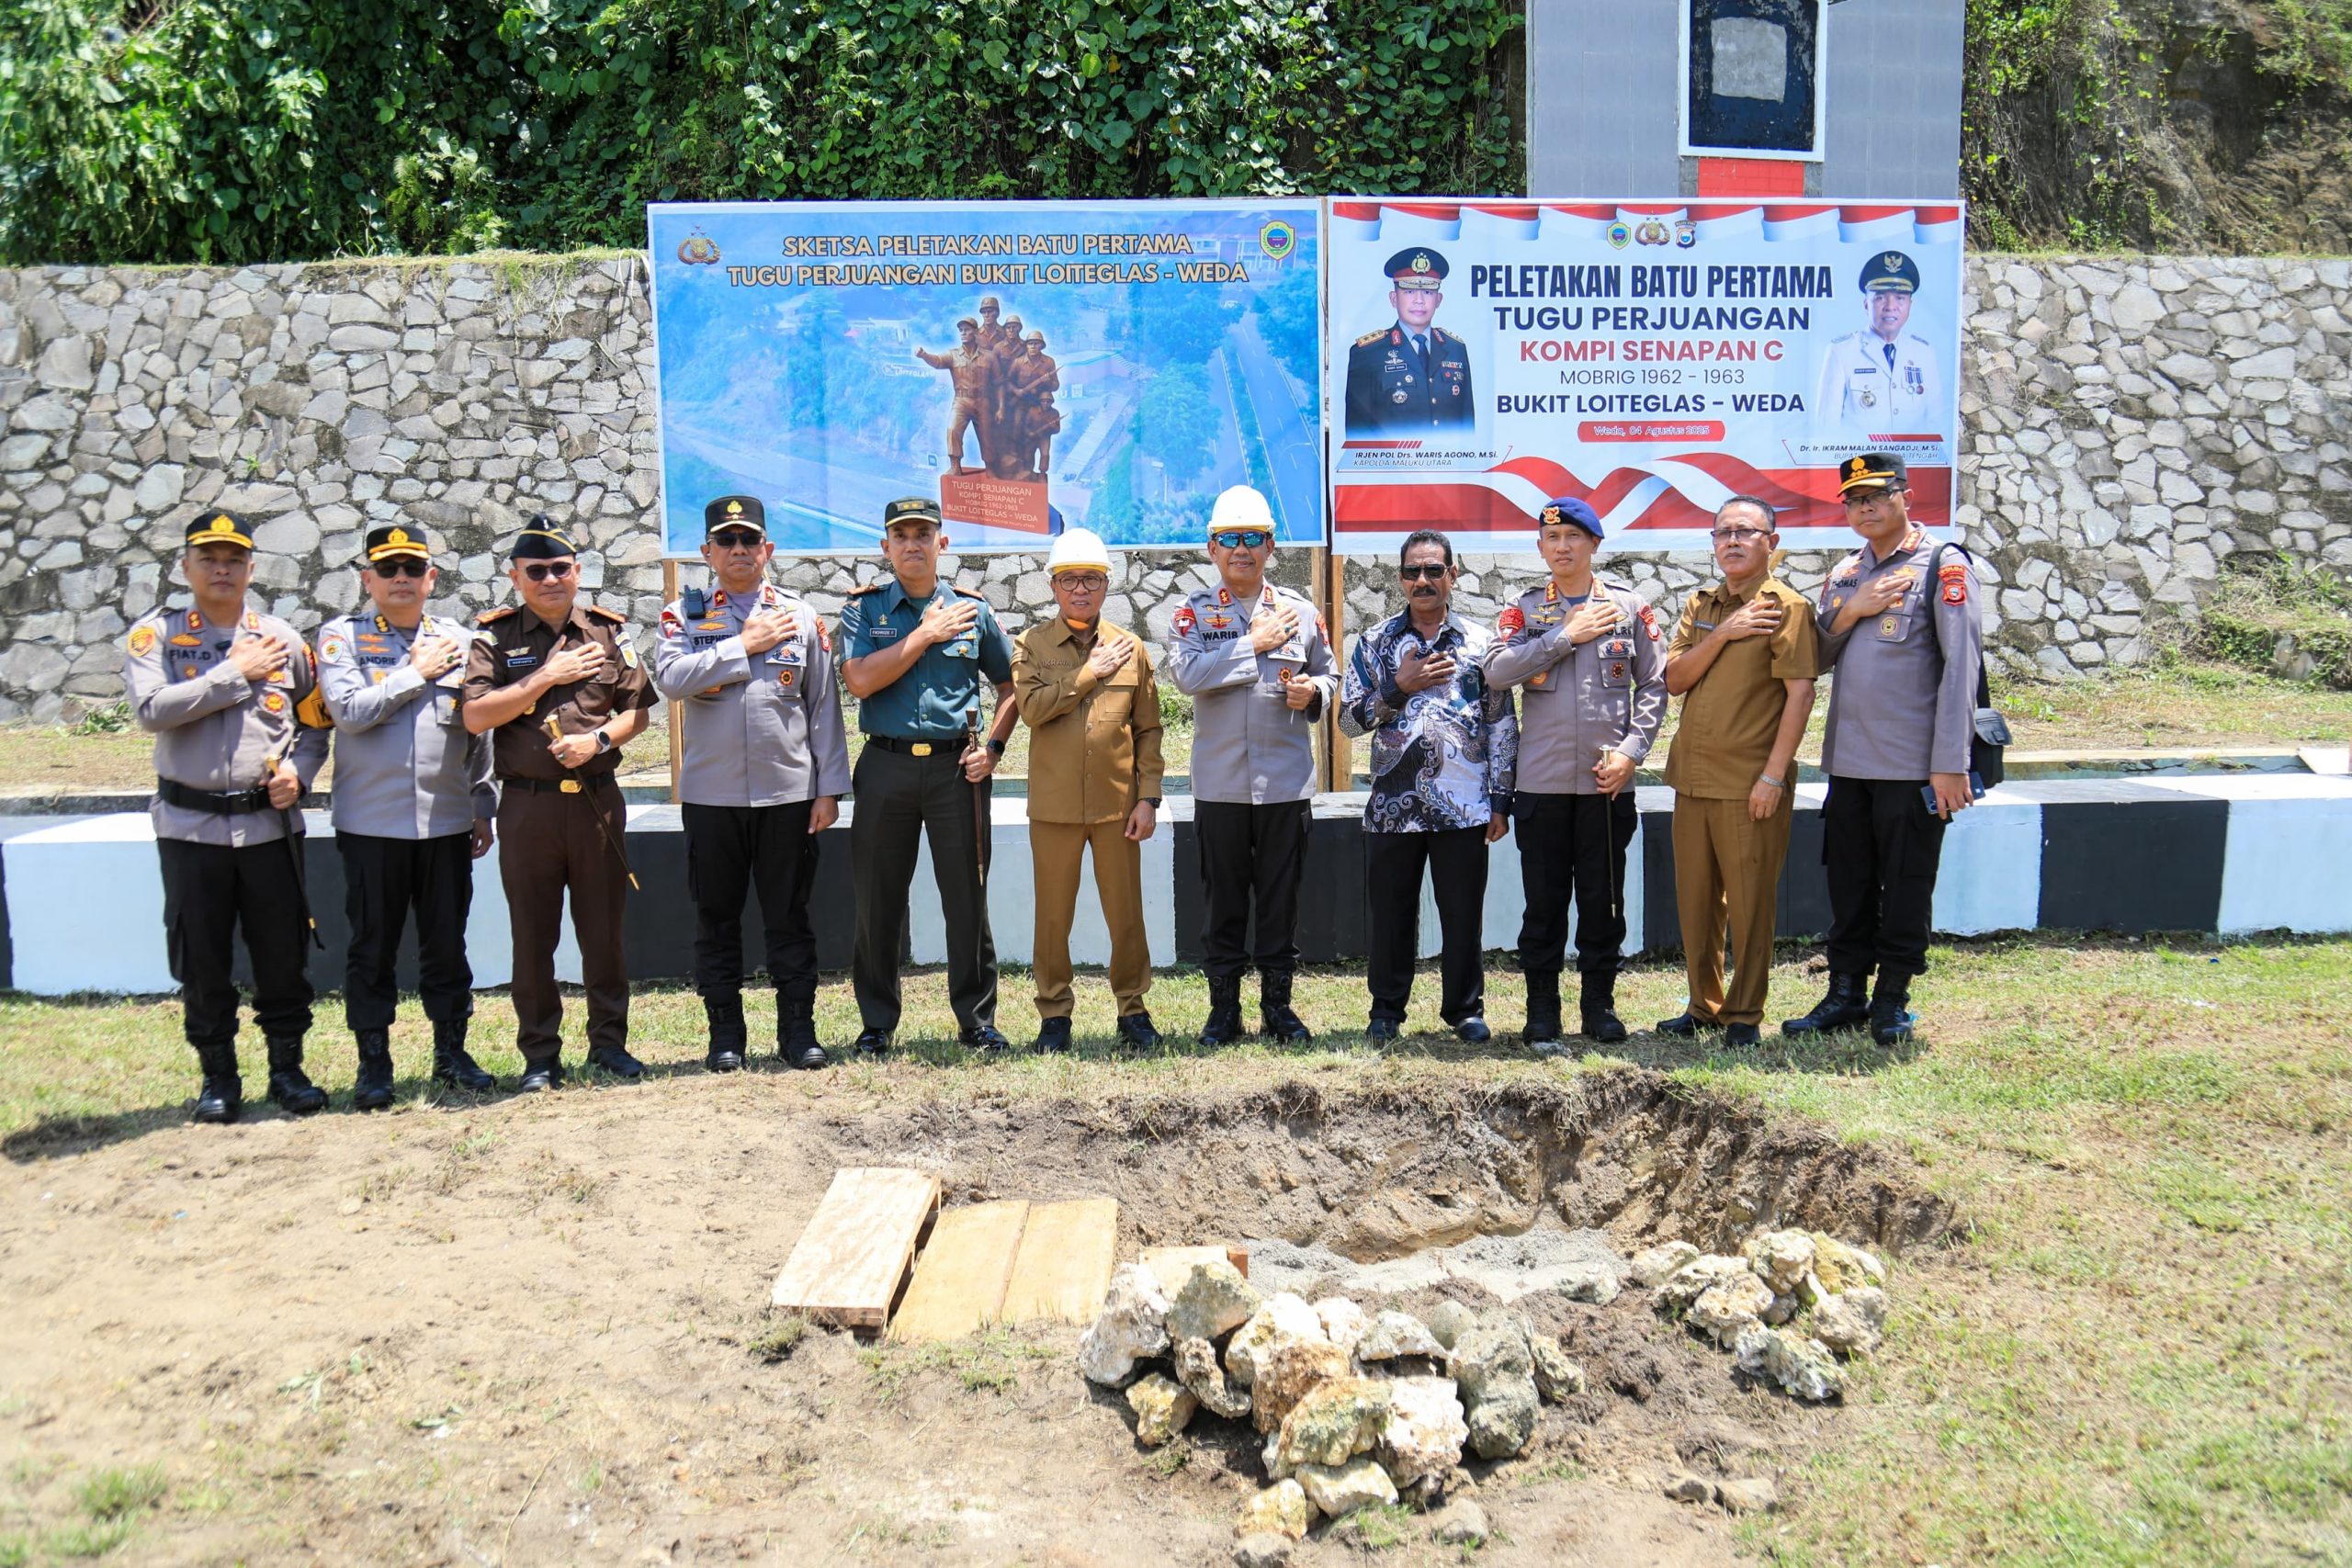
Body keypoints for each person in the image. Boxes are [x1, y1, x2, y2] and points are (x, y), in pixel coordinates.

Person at [125, 510, 334, 1123]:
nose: (222, 568)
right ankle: (218, 1076)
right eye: (209, 557)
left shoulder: (284, 639)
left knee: (281, 952)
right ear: (185, 566)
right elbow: (151, 711)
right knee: (202, 955)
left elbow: (315, 724)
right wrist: (231, 674)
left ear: (250, 567)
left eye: (234, 558)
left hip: (269, 827)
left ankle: (288, 1070)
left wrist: (302, 771)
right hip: (191, 828)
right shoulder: (156, 636)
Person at [1783, 452, 1983, 1047]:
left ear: (1906, 495)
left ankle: (1891, 997)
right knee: (1848, 881)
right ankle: (1844, 992)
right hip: (1850, 764)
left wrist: (1950, 762)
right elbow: (1815, 658)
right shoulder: (1845, 574)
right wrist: (1854, 609)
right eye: (1854, 499)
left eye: (1876, 494)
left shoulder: (1941, 565)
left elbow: (1961, 669)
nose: (1864, 507)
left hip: (1912, 767)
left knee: (1906, 883)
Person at [653, 495, 851, 1073]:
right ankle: (725, 1035)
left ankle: (798, 1031)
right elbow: (670, 678)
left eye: (750, 540)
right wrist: (743, 644)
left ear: (768, 549)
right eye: (727, 541)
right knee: (716, 916)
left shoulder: (801, 616)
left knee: (789, 916)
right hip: (712, 797)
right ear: (707, 552)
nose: (739, 550)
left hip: (787, 795)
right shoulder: (682, 616)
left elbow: (822, 706)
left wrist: (828, 789)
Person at [459, 518, 656, 1090]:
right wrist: (545, 677)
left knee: (603, 932)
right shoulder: (493, 638)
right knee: (533, 935)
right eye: (537, 571)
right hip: (528, 808)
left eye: (561, 569)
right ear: (516, 577)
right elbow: (476, 715)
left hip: (597, 802)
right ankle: (540, 1054)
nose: (550, 579)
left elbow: (637, 711)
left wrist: (596, 741)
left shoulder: (608, 632)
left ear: (577, 573)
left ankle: (609, 1045)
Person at [316, 523, 499, 1106]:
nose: (401, 579)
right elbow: (347, 712)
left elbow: (479, 734)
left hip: (445, 823)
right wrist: (412, 674)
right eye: (388, 569)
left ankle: (451, 1052)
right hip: (372, 826)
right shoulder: (341, 638)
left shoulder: (461, 641)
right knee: (373, 947)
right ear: (367, 578)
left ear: (431, 578)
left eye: (412, 570)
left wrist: (482, 807)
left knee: (447, 945)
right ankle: (374, 1063)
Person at [1482, 496, 1667, 1051]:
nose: (1562, 548)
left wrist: (1633, 751)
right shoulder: (1525, 609)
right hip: (1540, 785)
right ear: (1541, 549)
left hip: (1606, 785)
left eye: (1573, 538)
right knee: (1543, 904)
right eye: (1551, 540)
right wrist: (1566, 634)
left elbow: (1654, 685)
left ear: (1594, 545)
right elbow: (1496, 672)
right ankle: (1542, 1011)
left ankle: (1599, 1006)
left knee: (1602, 902)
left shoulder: (1630, 607)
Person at [837, 496, 1018, 1057]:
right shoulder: (865, 611)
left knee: (967, 896)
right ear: (885, 546)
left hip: (956, 770)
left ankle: (976, 1018)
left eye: (923, 533)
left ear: (943, 543)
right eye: (901, 535)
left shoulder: (973, 610)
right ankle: (877, 1022)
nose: (912, 544)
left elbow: (1011, 687)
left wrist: (993, 748)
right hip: (885, 764)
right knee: (877, 899)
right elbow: (860, 681)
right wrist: (924, 635)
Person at [1166, 484, 1338, 1045]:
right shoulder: (1192, 613)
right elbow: (1187, 677)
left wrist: (1313, 692)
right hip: (1221, 787)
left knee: (1281, 899)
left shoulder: (1302, 613)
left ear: (1270, 546)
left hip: (1285, 785)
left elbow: (1330, 677)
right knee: (1224, 901)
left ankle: (1278, 1008)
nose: (1241, 550)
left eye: (1253, 539)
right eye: (1228, 540)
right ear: (1211, 549)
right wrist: (1252, 643)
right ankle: (1224, 1010)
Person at [1655, 498, 1820, 1049]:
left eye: (1746, 532)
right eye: (1723, 532)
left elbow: (1800, 695)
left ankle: (1744, 1013)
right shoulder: (1703, 604)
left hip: (1750, 780)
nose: (1732, 541)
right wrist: (1724, 633)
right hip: (1693, 776)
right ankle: (1703, 1005)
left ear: (1772, 542)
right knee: (1696, 901)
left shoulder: (1786, 607)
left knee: (1750, 903)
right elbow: (1674, 678)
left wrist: (1774, 777)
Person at [1338, 528, 1515, 1043]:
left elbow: (1501, 725)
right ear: (1400, 579)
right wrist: (1399, 687)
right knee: (1391, 914)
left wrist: (1502, 800)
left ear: (1452, 575)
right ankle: (1387, 1010)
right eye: (1413, 571)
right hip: (1394, 805)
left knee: (1463, 914)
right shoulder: (1375, 643)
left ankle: (1464, 1010)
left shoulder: (1482, 645)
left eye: (1433, 570)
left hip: (1465, 806)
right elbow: (1349, 722)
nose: (1423, 580)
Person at [1011, 527, 1165, 1053]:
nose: (1081, 589)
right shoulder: (1030, 645)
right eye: (1070, 579)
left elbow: (1148, 729)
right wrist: (1088, 674)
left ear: (1106, 586)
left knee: (1126, 913)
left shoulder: (1132, 648)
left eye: (1092, 580)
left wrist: (1148, 798)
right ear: (1053, 585)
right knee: (1053, 915)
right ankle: (1054, 1013)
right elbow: (1030, 711)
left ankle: (1133, 1008)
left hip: (1116, 806)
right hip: (1054, 808)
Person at [1811, 252, 1943, 438]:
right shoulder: (1842, 352)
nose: (1890, 306)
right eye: (1880, 297)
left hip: (1912, 464)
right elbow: (1826, 429)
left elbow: (1936, 425)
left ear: (1910, 305)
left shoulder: (1923, 352)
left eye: (1900, 298)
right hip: (1859, 465)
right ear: (1866, 304)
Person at [1343, 247, 1475, 435]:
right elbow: (1358, 434)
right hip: (1392, 463)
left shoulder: (1456, 349)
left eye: (1428, 293)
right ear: (1394, 299)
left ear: (1438, 300)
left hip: (1449, 462)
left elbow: (1467, 424)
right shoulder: (1368, 353)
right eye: (1410, 291)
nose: (1419, 300)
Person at [915, 319, 995, 476]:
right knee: (953, 430)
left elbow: (999, 380)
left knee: (987, 435)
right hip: (961, 401)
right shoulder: (953, 355)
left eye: (967, 329)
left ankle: (991, 467)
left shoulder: (989, 356)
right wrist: (924, 355)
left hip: (983, 401)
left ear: (976, 332)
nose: (963, 333)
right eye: (961, 330)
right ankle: (955, 465)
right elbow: (938, 362)